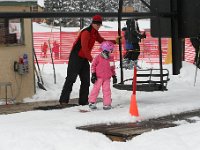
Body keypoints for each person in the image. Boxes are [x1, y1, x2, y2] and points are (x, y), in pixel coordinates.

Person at [59, 14, 119, 106]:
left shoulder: (95, 33)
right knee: (71, 79)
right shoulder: (86, 32)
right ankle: (63, 100)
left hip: (84, 58)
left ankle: (83, 101)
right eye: (97, 24)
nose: (99, 26)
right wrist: (93, 60)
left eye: (100, 25)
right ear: (93, 23)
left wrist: (115, 41)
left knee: (86, 80)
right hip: (76, 57)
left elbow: (103, 42)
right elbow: (84, 48)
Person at [88, 41, 117, 110]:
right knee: (95, 89)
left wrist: (114, 76)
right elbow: (93, 66)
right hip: (98, 77)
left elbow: (112, 68)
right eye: (110, 50)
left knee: (107, 90)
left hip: (107, 78)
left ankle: (107, 104)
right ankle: (92, 102)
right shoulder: (98, 57)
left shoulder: (111, 58)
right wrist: (93, 74)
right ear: (105, 51)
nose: (111, 52)